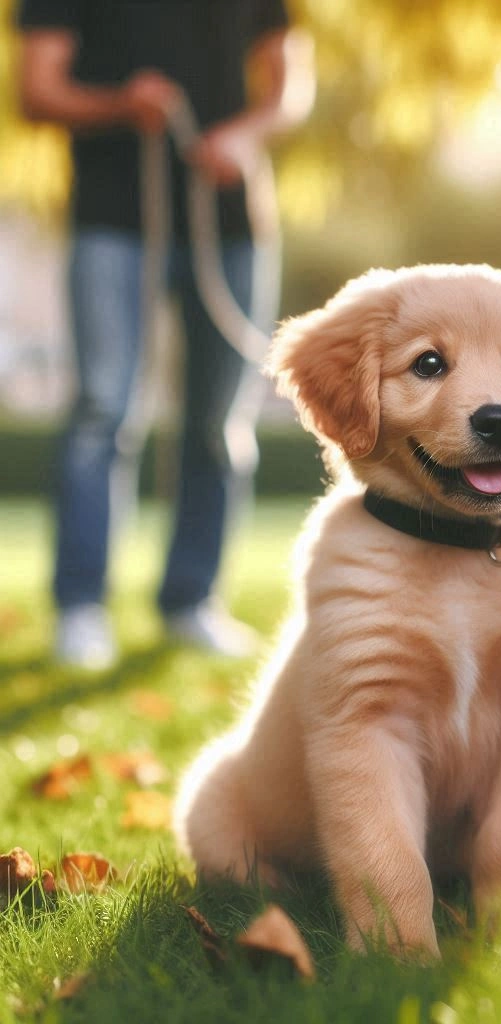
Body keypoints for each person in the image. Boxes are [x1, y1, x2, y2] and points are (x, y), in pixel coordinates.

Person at [15, 0, 314, 669]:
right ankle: (81, 606)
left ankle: (192, 600)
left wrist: (244, 134)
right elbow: (36, 91)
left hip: (230, 220)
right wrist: (120, 103)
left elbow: (291, 85)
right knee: (103, 411)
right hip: (112, 219)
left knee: (217, 423)